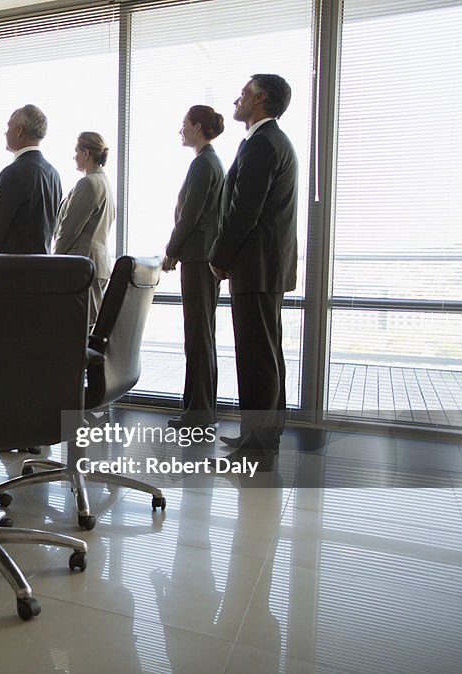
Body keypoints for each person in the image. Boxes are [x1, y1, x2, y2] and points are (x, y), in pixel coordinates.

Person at [208, 74, 298, 458]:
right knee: (266, 351)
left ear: (260, 99)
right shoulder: (271, 141)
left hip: (255, 265)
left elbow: (245, 210)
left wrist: (218, 256)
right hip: (265, 265)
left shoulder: (262, 143)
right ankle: (260, 435)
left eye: (243, 94)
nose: (237, 100)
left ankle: (258, 446)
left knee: (256, 355)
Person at [162, 106, 226, 431]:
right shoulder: (207, 161)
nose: (181, 130)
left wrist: (170, 251)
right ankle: (198, 410)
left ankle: (200, 414)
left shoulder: (204, 164)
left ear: (198, 126)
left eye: (184, 124)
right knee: (201, 336)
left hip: (199, 259)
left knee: (199, 337)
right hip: (201, 258)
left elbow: (190, 215)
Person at [0, 104, 62, 254]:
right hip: (43, 268)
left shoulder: (12, 173)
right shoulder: (54, 175)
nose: (5, 133)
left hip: (13, 269)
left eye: (9, 126)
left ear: (19, 131)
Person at [54, 132, 115, 323]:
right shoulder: (103, 181)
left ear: (86, 153)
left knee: (80, 327)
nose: (74, 157)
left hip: (83, 266)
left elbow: (69, 228)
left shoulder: (88, 183)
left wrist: (54, 261)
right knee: (88, 325)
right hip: (98, 263)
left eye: (76, 151)